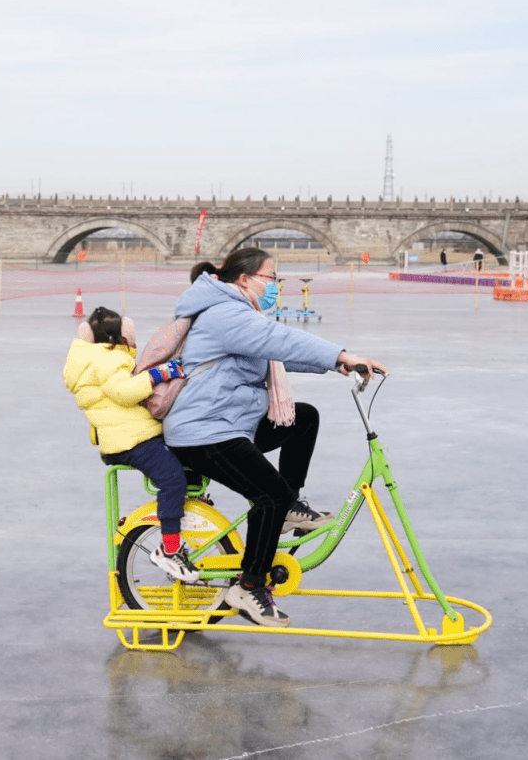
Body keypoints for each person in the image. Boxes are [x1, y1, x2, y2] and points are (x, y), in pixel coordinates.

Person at [164, 247, 387, 627]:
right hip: (204, 429)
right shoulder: (225, 314)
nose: (276, 286)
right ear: (244, 279)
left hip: (231, 419)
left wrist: (335, 365)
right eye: (271, 278)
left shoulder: (237, 311)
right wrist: (342, 355)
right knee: (269, 493)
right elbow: (278, 339)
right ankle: (249, 586)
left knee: (303, 419)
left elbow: (274, 353)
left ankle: (288, 508)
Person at [63, 307, 198, 583]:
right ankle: (170, 550)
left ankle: (186, 503)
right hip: (132, 440)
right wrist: (161, 373)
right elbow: (124, 393)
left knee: (184, 453)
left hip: (123, 438)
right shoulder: (108, 360)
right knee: (172, 480)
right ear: (120, 338)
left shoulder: (88, 361)